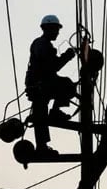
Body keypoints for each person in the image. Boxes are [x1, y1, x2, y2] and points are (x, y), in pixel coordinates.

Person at [25, 15, 77, 154]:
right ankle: (42, 145)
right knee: (66, 85)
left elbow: (51, 68)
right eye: (55, 29)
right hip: (40, 86)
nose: (57, 32)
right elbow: (52, 67)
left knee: (40, 116)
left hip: (41, 84)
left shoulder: (43, 44)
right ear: (47, 29)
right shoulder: (42, 45)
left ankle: (42, 145)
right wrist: (67, 56)